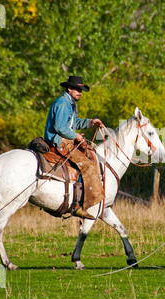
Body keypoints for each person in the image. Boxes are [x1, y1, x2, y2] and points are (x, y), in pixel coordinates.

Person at [44, 76, 104, 219]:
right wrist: (75, 136)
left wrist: (90, 122)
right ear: (69, 88)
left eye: (81, 90)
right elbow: (60, 127)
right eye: (77, 89)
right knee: (87, 165)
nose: (80, 92)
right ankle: (78, 204)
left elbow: (74, 123)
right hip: (59, 142)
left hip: (65, 140)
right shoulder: (64, 103)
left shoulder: (69, 103)